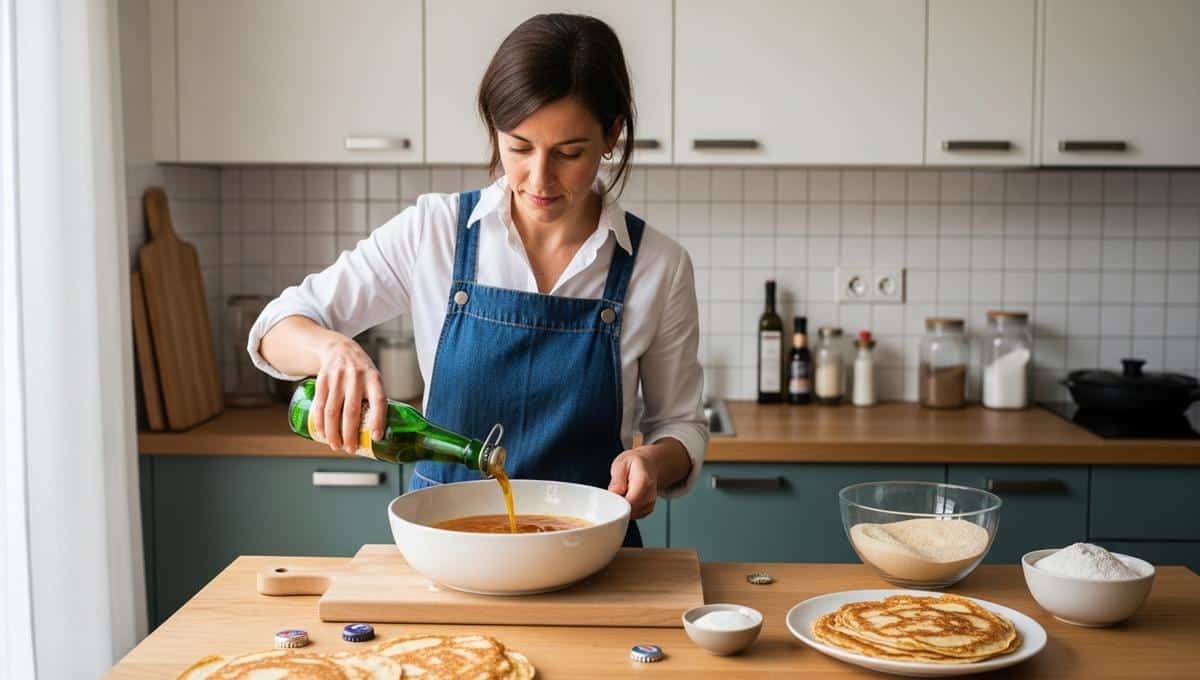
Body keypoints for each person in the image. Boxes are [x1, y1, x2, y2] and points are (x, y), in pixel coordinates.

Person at [248, 13, 706, 547]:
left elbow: (682, 425)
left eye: (569, 153)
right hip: (447, 555)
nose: (539, 178)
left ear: (612, 134)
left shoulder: (658, 265)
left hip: (592, 556)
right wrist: (333, 351)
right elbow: (274, 328)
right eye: (519, 147)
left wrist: (652, 460)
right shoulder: (434, 231)